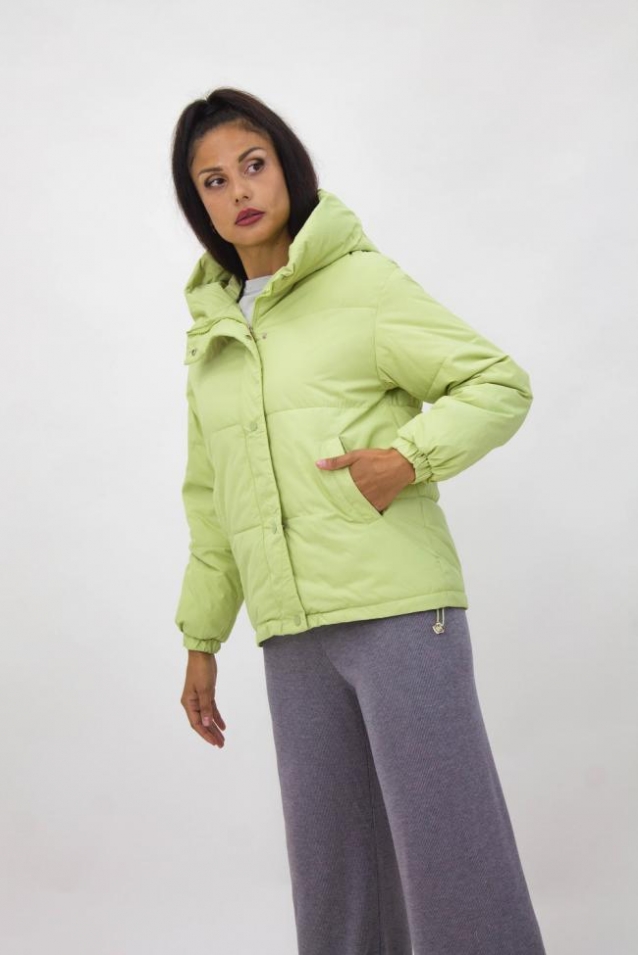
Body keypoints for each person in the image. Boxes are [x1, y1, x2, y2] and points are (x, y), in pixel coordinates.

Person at [170, 86, 547, 955]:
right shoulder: (212, 337)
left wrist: (406, 459)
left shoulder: (361, 283)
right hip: (292, 632)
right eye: (214, 181)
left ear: (288, 168)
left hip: (400, 614)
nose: (239, 190)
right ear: (200, 204)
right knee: (334, 875)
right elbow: (212, 502)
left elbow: (498, 383)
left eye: (253, 165)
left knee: (451, 858)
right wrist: (200, 637)